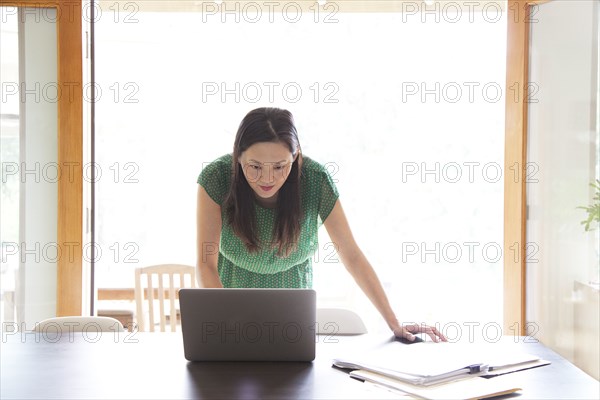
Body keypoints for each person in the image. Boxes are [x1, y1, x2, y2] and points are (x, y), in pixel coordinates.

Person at [196, 107, 446, 342]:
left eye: (280, 166)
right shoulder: (216, 178)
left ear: (295, 157)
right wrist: (229, 319)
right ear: (238, 157)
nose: (267, 178)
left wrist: (394, 322)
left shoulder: (315, 180)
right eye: (255, 167)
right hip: (228, 300)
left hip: (293, 306)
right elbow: (206, 263)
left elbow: (351, 255)